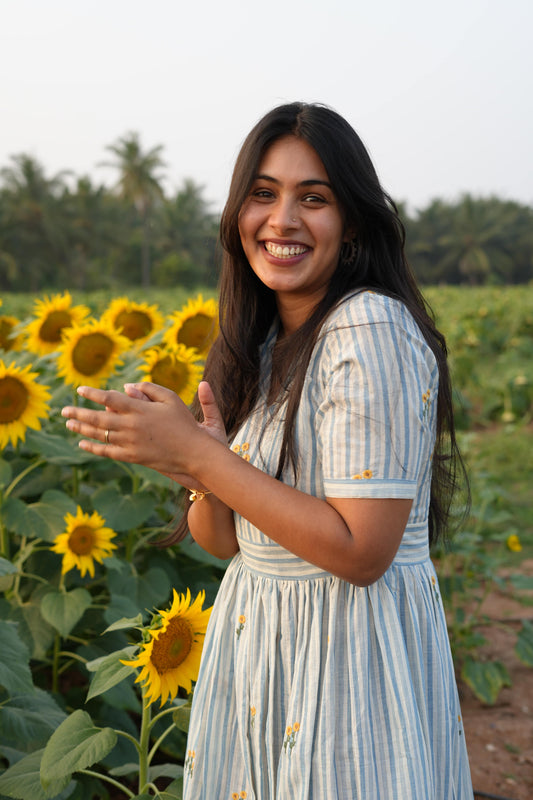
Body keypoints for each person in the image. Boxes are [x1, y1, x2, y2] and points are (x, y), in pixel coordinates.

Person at [62, 102, 474, 799]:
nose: (281, 220)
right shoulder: (261, 345)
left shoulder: (365, 327)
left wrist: (201, 458)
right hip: (264, 654)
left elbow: (361, 552)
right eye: (262, 194)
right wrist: (196, 465)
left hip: (347, 664)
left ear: (349, 226)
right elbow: (223, 541)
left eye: (312, 198)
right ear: (237, 216)